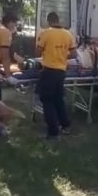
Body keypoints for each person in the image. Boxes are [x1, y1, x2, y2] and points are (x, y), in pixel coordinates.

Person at [36, 11, 77, 139]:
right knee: (58, 99)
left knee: (47, 100)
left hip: (48, 70)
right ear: (58, 20)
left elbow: (38, 51)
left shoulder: (46, 33)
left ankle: (53, 131)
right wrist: (62, 55)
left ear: (49, 21)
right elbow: (74, 54)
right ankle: (65, 126)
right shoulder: (68, 34)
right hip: (61, 71)